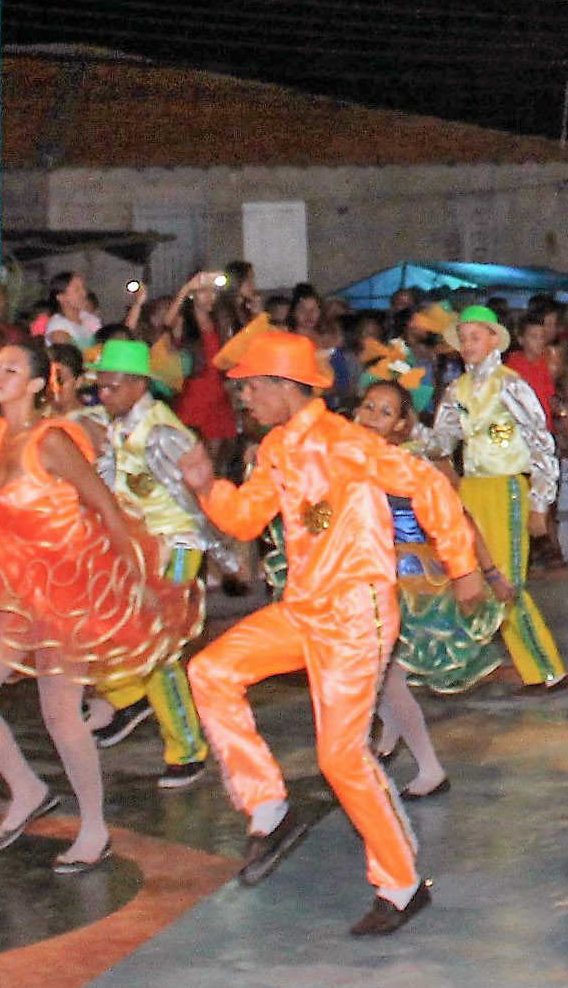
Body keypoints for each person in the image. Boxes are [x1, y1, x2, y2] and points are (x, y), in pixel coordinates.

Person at [181, 331, 489, 934]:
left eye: (250, 388)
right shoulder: (276, 449)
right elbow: (246, 517)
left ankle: (401, 886)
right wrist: (204, 486)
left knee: (341, 755)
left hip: (357, 613)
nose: (243, 399)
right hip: (305, 609)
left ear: (282, 386)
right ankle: (267, 807)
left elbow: (425, 484)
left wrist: (464, 566)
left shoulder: (345, 442)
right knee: (210, 670)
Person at [0, 335, 190, 868]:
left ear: (37, 383)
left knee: (60, 713)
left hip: (67, 587)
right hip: (14, 588)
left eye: (11, 369)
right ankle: (27, 789)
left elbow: (105, 507)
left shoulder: (51, 441)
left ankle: (94, 827)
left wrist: (132, 578)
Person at [355, 377, 502, 800]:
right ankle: (388, 744)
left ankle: (429, 768)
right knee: (382, 676)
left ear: (402, 425)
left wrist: (486, 573)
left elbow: (462, 521)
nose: (374, 418)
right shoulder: (346, 460)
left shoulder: (415, 467)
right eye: (368, 407)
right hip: (370, 580)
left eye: (386, 412)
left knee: (385, 677)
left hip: (412, 586)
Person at [79, 340, 215, 792]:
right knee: (111, 624)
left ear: (139, 385)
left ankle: (187, 749)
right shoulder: (121, 422)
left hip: (173, 543)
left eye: (112, 386)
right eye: (100, 385)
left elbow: (195, 496)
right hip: (138, 542)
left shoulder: (160, 432)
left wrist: (224, 548)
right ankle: (129, 698)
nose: (104, 393)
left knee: (160, 646)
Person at [425, 305, 568, 691]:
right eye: (464, 338)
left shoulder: (511, 384)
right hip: (473, 489)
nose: (468, 344)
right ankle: (470, 663)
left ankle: (547, 669)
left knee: (507, 583)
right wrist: (408, 435)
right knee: (473, 576)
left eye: (475, 336)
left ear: (493, 340)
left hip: (507, 488)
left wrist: (540, 502)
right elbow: (441, 441)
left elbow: (541, 442)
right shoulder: (458, 390)